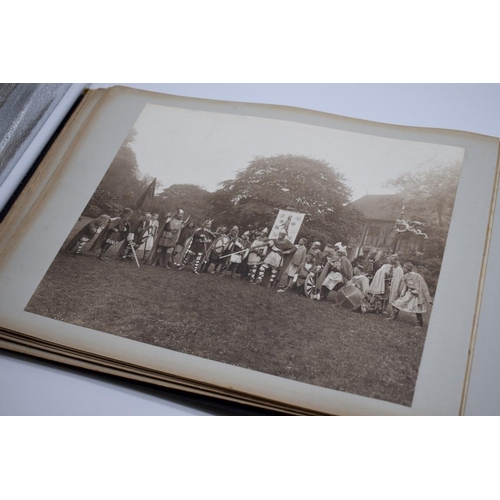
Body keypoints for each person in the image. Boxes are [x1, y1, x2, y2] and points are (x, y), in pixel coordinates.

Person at [388, 262, 432, 328]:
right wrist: (402, 294)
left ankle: (420, 324)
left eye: (404, 267)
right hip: (409, 293)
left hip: (416, 295)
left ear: (407, 268)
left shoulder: (417, 276)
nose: (403, 269)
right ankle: (393, 316)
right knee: (397, 303)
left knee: (417, 308)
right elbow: (405, 286)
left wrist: (417, 292)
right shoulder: (405, 276)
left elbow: (421, 286)